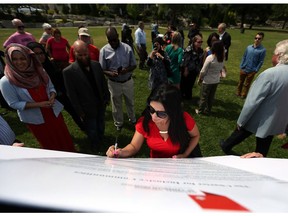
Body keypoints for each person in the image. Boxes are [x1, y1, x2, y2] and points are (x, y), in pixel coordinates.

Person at [0, 43, 75, 152]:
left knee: (64, 137)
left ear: (29, 58)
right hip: (36, 119)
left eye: (22, 58)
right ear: (9, 60)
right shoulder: (6, 81)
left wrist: (52, 96)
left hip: (53, 113)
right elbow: (13, 104)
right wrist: (39, 105)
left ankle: (72, 156)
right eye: (14, 59)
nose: (19, 62)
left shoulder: (39, 71)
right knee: (50, 144)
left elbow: (51, 87)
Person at [220, 39, 288, 157]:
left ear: (279, 56)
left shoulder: (270, 74)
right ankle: (257, 159)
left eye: (274, 53)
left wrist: (241, 120)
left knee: (241, 131)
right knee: (263, 147)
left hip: (257, 115)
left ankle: (226, 146)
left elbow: (252, 102)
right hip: (275, 120)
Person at [106, 84, 202, 158]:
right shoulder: (145, 122)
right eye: (151, 110)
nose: (153, 117)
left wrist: (185, 154)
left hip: (178, 167)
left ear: (173, 112)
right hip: (155, 167)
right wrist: (120, 152)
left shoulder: (184, 119)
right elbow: (134, 146)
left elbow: (195, 136)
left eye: (161, 114)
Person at [63, 40, 110, 153]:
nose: (84, 57)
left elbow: (103, 83)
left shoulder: (96, 65)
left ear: (88, 52)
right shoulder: (68, 72)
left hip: (100, 103)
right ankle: (94, 143)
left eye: (85, 54)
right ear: (74, 53)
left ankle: (101, 137)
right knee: (92, 127)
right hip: (86, 108)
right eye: (80, 55)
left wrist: (106, 97)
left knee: (101, 123)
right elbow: (71, 94)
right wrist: (79, 111)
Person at [27, 41, 85, 131]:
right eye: (36, 54)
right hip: (45, 99)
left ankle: (84, 127)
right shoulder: (30, 71)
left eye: (41, 53)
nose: (40, 56)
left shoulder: (51, 64)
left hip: (62, 94)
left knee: (73, 111)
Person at [100, 27, 137, 132]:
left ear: (118, 36)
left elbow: (134, 65)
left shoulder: (127, 48)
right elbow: (102, 69)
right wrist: (110, 73)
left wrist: (126, 70)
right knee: (116, 104)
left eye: (114, 40)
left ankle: (133, 119)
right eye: (110, 41)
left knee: (130, 102)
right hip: (114, 82)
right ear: (107, 40)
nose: (113, 42)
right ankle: (119, 123)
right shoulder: (104, 51)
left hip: (127, 81)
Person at [195, 41, 224, 115]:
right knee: (211, 97)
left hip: (207, 81)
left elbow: (203, 71)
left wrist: (200, 79)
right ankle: (208, 110)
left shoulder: (210, 58)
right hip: (216, 80)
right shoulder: (222, 58)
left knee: (204, 96)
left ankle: (200, 111)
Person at [236, 32, 266, 99]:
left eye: (259, 38)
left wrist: (256, 70)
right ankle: (238, 92)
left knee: (247, 84)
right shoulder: (249, 47)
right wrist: (241, 65)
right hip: (244, 68)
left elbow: (261, 61)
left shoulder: (262, 50)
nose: (257, 40)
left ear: (262, 39)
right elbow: (244, 56)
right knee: (240, 82)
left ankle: (243, 94)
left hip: (252, 70)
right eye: (256, 38)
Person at [181, 34, 204, 100]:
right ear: (194, 42)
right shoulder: (189, 49)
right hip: (187, 69)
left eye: (201, 42)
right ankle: (182, 95)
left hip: (194, 70)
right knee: (184, 83)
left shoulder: (200, 50)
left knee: (191, 83)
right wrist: (185, 70)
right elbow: (185, 60)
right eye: (199, 42)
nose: (200, 43)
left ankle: (188, 95)